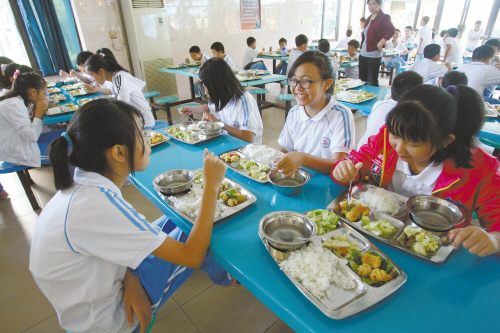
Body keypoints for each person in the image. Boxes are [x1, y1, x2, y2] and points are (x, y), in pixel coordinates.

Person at [29, 99, 236, 333]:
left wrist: (129, 276)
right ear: (118, 152)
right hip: (110, 320)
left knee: (177, 221)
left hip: (94, 295)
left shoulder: (83, 187)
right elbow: (192, 256)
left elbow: (100, 247)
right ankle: (232, 277)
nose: (148, 139)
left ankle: (226, 275)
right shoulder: (99, 204)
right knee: (197, 234)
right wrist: (212, 185)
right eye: (141, 134)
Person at [332, 84, 500, 257]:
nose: (399, 148)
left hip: (433, 252)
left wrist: (494, 240)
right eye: (395, 135)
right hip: (373, 237)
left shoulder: (480, 171)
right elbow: (356, 161)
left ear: (445, 140)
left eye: (413, 143)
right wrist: (344, 168)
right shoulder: (384, 138)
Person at [277, 51, 355, 177]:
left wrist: (303, 158)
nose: (297, 88)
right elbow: (285, 153)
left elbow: (338, 165)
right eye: (294, 80)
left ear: (327, 84)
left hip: (328, 186)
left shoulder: (341, 115)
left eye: (306, 81)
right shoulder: (294, 113)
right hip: (298, 181)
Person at [179, 58, 263, 143]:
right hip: (230, 143)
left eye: (206, 87)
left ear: (217, 84)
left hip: (247, 150)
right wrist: (193, 109)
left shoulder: (244, 100)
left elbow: (247, 138)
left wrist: (219, 123)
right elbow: (209, 107)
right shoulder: (222, 95)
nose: (206, 92)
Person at [85, 54, 155, 129]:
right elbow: (113, 93)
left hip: (143, 122)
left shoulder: (120, 78)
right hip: (134, 119)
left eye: (91, 75)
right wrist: (96, 89)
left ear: (101, 71)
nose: (92, 79)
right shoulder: (114, 77)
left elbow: (122, 105)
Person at [357, 71, 423, 149]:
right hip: (380, 158)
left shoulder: (378, 104)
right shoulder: (413, 116)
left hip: (362, 151)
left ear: (391, 87)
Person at [0, 73, 48, 167]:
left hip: (18, 143)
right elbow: (32, 136)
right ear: (33, 92)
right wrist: (39, 113)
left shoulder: (16, 100)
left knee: (63, 136)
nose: (44, 96)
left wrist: (35, 112)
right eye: (43, 92)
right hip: (17, 153)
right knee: (67, 148)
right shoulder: (14, 105)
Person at [359, 0, 396, 87]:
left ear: (380, 4)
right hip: (363, 54)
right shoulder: (369, 18)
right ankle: (361, 98)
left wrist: (380, 44)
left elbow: (391, 30)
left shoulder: (383, 17)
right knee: (361, 80)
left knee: (372, 81)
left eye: (374, 4)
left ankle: (374, 100)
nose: (371, 7)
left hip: (373, 55)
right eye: (369, 4)